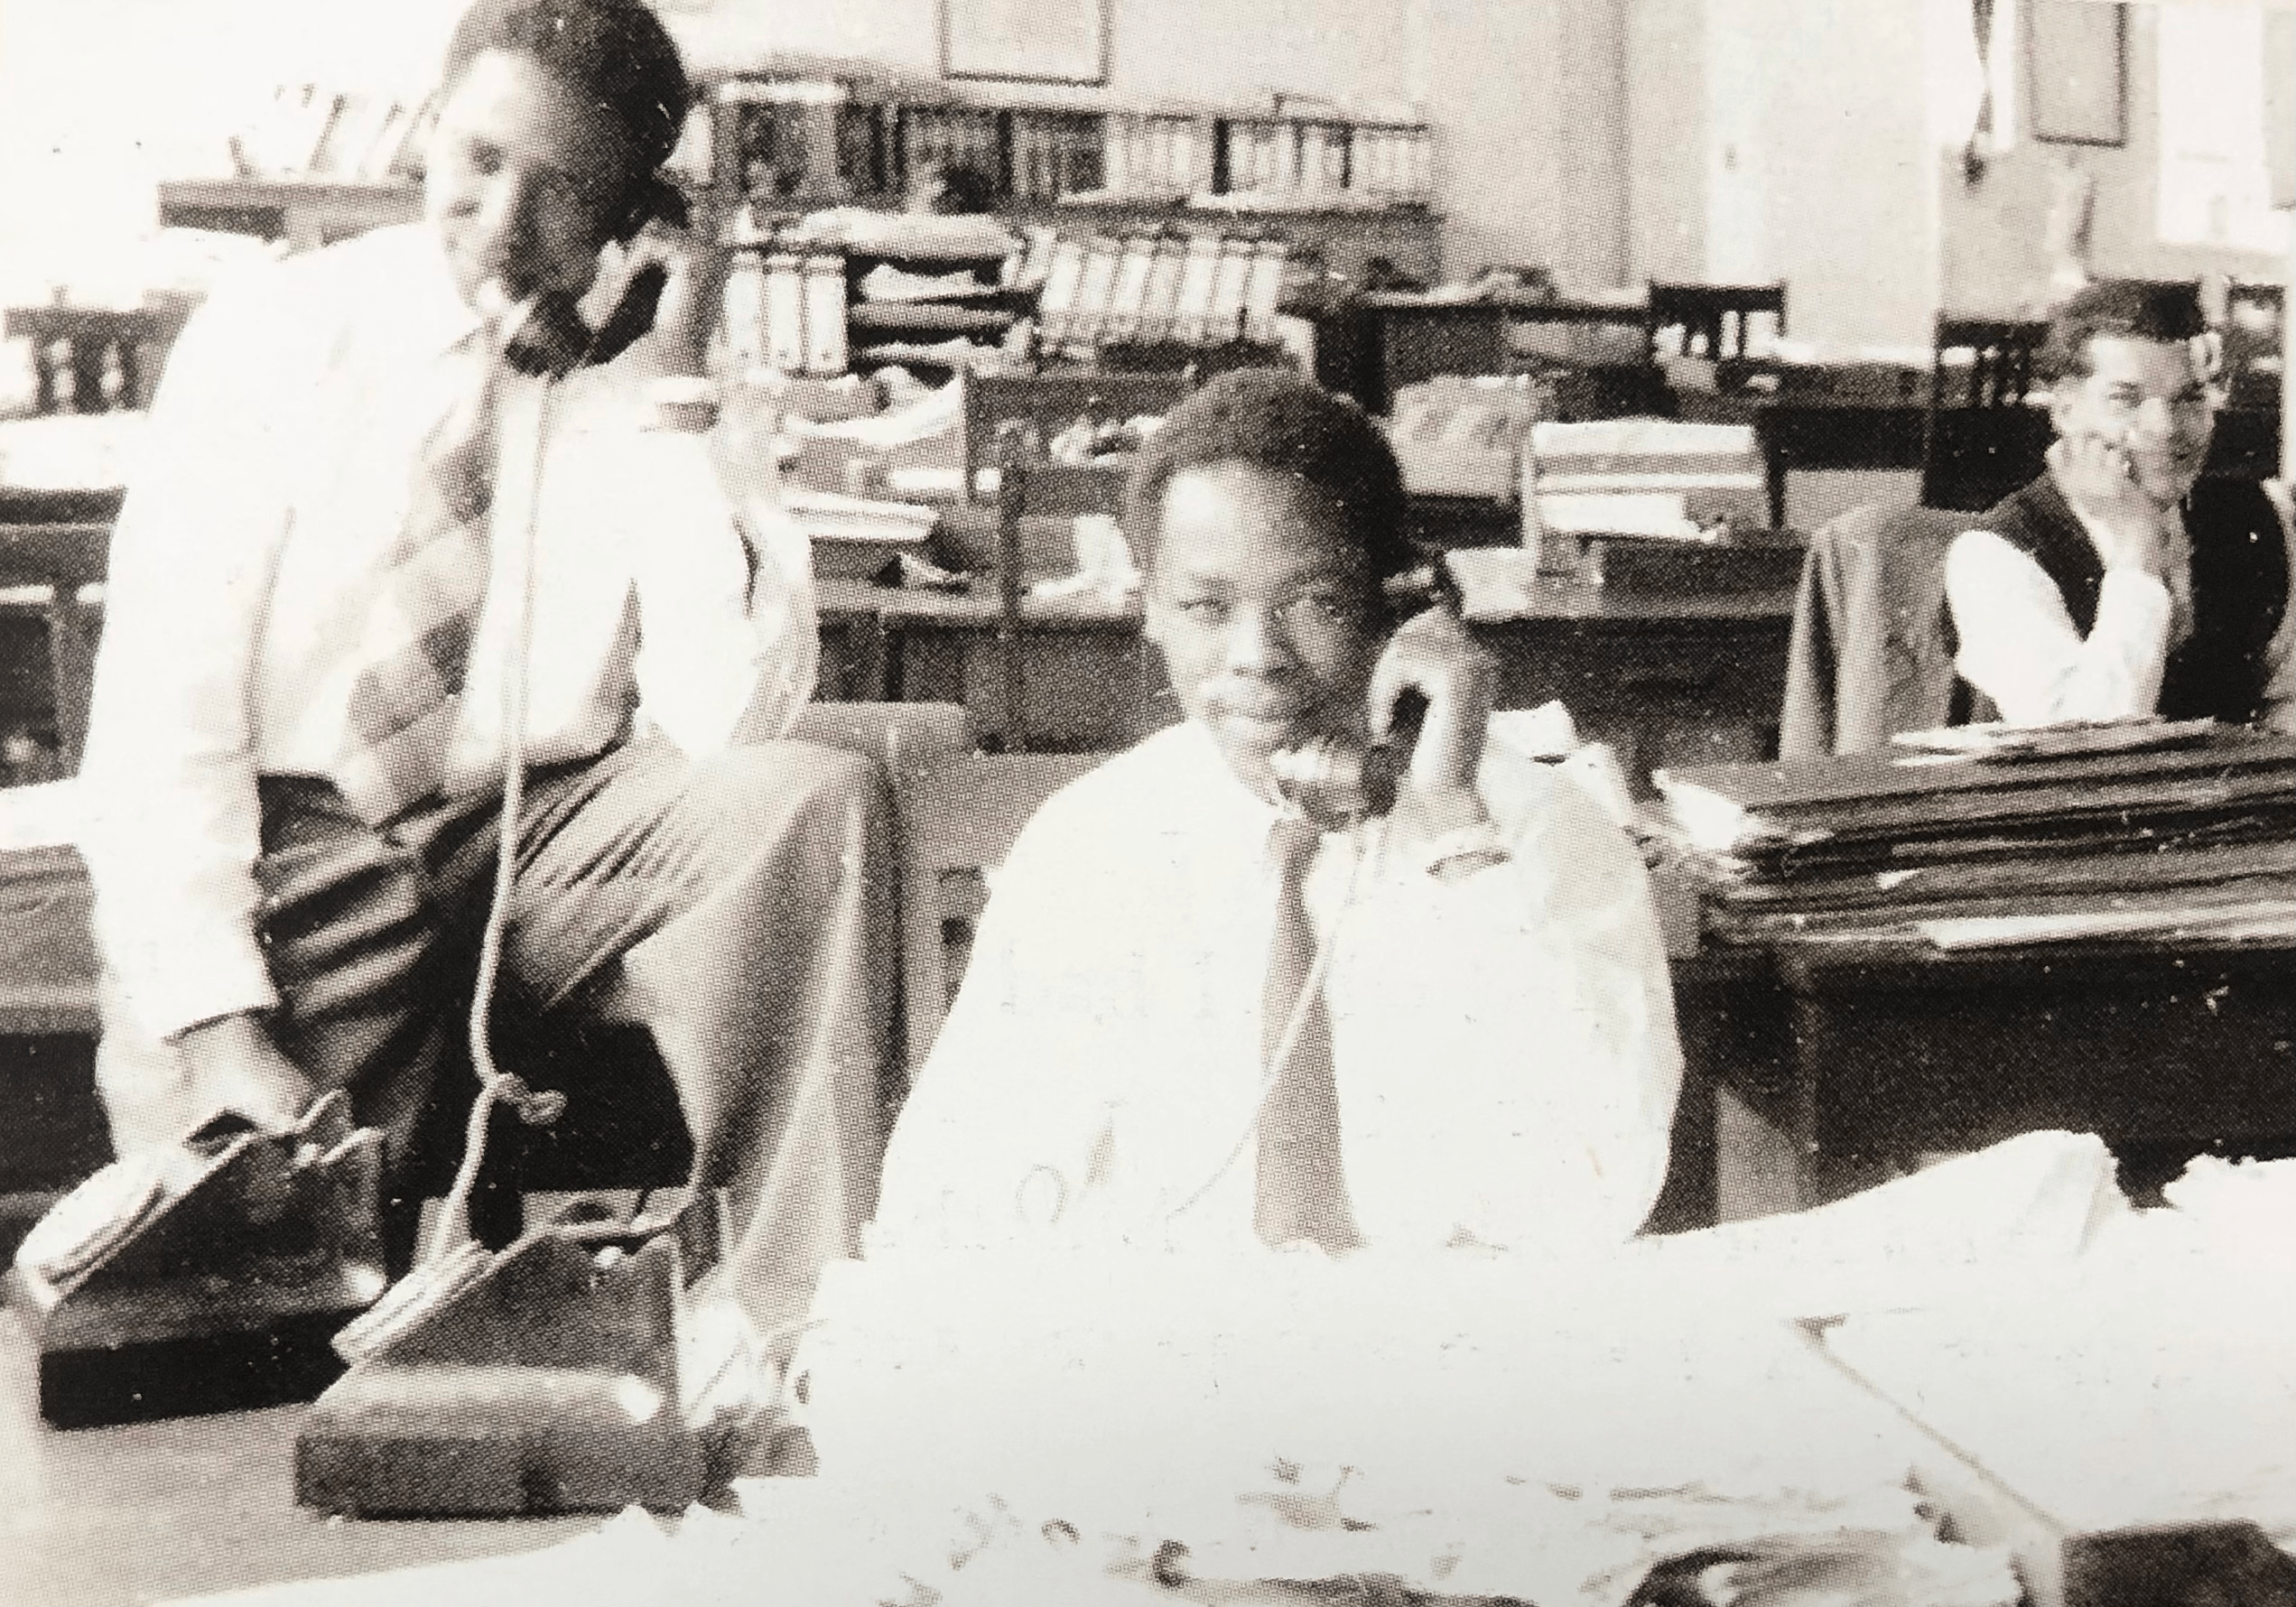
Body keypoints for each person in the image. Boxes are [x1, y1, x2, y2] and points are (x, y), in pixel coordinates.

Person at [77, 0, 888, 1347]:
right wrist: (220, 1024)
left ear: (643, 212)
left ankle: (783, 1324)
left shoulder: (658, 383)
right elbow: (165, 718)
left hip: (547, 827)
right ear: (428, 132)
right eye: (478, 162)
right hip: (296, 833)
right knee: (252, 1307)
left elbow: (727, 716)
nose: (504, 227)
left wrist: (674, 401)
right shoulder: (276, 340)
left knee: (811, 801)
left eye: (563, 190)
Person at [871, 371, 1680, 1256]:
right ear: (1147, 611)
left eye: (1314, 603)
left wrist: (1454, 825)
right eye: (1205, 608)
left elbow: (1598, 1196)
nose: (1256, 657)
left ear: (1395, 604)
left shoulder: (1536, 835)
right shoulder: (1092, 844)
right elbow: (952, 1187)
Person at [1944, 280, 2295, 730]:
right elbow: (2087, 742)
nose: (2165, 428)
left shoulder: (2259, 517)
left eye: (2189, 398)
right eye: (2126, 399)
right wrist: (2136, 555)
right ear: (2065, 409)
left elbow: (2286, 702)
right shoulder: (1994, 555)